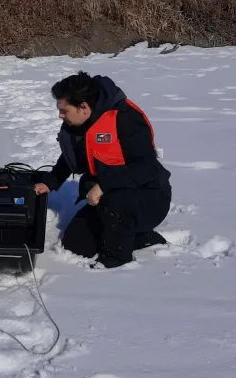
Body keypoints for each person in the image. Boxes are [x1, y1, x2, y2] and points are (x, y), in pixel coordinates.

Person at [34, 71, 171, 268]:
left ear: (84, 107)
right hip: (109, 196)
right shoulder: (80, 123)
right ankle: (139, 237)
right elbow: (70, 157)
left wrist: (103, 185)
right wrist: (50, 182)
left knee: (116, 209)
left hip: (148, 197)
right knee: (76, 244)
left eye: (64, 111)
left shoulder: (125, 119)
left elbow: (146, 168)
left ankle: (115, 262)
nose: (60, 115)